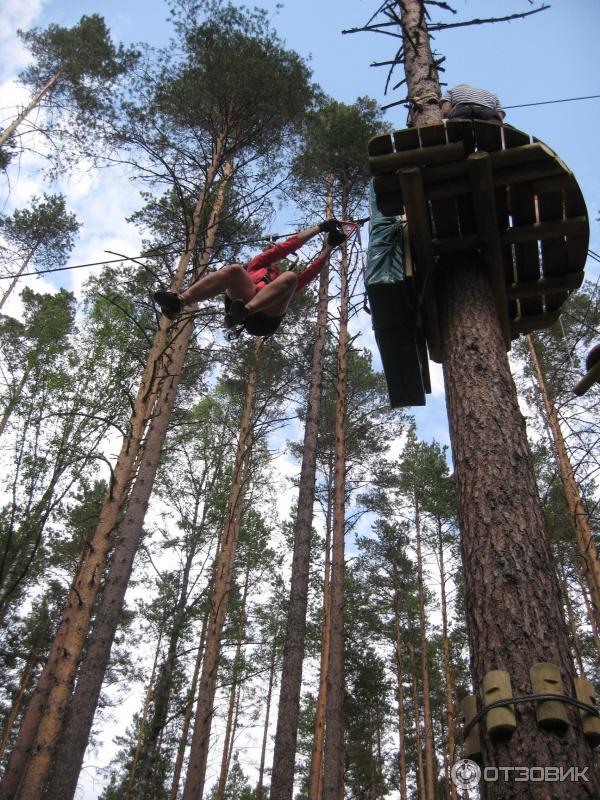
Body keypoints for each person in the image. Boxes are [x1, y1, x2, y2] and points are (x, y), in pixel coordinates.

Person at [153, 219, 345, 337]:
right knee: (235, 269)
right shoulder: (256, 266)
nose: (276, 264)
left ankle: (246, 311)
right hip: (241, 302)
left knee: (290, 277)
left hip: (264, 319)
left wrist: (328, 247)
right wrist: (319, 228)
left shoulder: (282, 281)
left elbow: (311, 271)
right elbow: (286, 247)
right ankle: (180, 301)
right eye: (275, 261)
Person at [440, 83, 505, 124]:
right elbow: (500, 114)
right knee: (493, 125)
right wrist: (498, 121)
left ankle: (460, 126)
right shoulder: (492, 94)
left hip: (463, 110)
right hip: (488, 111)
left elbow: (446, 111)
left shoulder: (451, 90)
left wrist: (445, 122)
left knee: (459, 127)